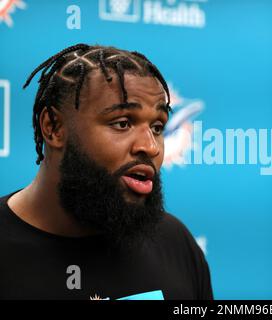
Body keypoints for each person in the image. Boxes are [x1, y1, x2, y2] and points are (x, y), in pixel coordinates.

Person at [0, 44, 213, 300]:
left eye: (157, 127)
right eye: (123, 123)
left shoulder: (175, 243)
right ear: (53, 127)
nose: (150, 146)